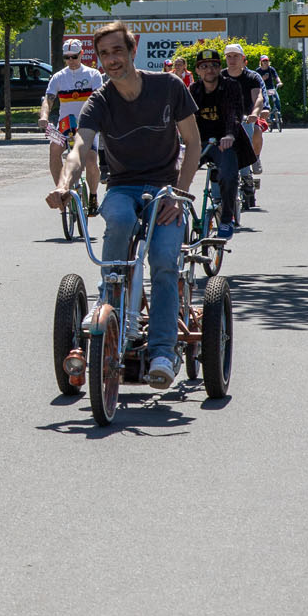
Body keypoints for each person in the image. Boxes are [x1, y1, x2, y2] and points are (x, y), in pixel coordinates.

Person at [46, 21, 200, 390]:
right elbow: (81, 147)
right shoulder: (100, 100)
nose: (112, 60)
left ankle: (163, 352)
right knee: (116, 221)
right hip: (123, 186)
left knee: (164, 260)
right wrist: (64, 184)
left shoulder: (168, 87)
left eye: (118, 51)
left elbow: (192, 143)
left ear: (133, 50)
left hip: (166, 189)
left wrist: (179, 194)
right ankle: (111, 303)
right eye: (104, 54)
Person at [187, 47, 256, 240]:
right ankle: (178, 211)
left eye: (214, 66)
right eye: (204, 66)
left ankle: (227, 218)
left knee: (228, 175)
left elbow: (234, 114)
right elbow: (186, 118)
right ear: (198, 70)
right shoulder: (194, 89)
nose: (209, 70)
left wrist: (229, 136)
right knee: (177, 173)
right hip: (199, 143)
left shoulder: (230, 86)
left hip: (224, 141)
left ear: (219, 68)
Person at [39, 39, 103, 209]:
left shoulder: (93, 75)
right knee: (54, 150)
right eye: (67, 58)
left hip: (87, 123)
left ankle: (93, 196)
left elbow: (98, 100)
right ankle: (61, 191)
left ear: (81, 54)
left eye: (74, 57)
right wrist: (44, 115)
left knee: (90, 160)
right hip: (65, 124)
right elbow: (48, 100)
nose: (70, 61)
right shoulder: (59, 77)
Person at [224, 42, 268, 178]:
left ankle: (253, 159)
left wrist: (257, 112)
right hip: (224, 119)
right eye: (229, 56)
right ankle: (217, 195)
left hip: (246, 118)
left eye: (235, 56)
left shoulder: (252, 77)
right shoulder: (219, 77)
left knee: (255, 130)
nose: (232, 60)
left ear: (243, 59)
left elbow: (259, 97)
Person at [258, 52, 283, 127]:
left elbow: (276, 76)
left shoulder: (271, 69)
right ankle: (268, 118)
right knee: (266, 103)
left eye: (266, 61)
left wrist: (279, 82)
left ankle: (278, 116)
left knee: (277, 101)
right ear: (261, 62)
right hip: (263, 89)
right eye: (264, 61)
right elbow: (256, 80)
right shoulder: (258, 70)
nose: (265, 62)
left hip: (271, 88)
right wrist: (263, 78)